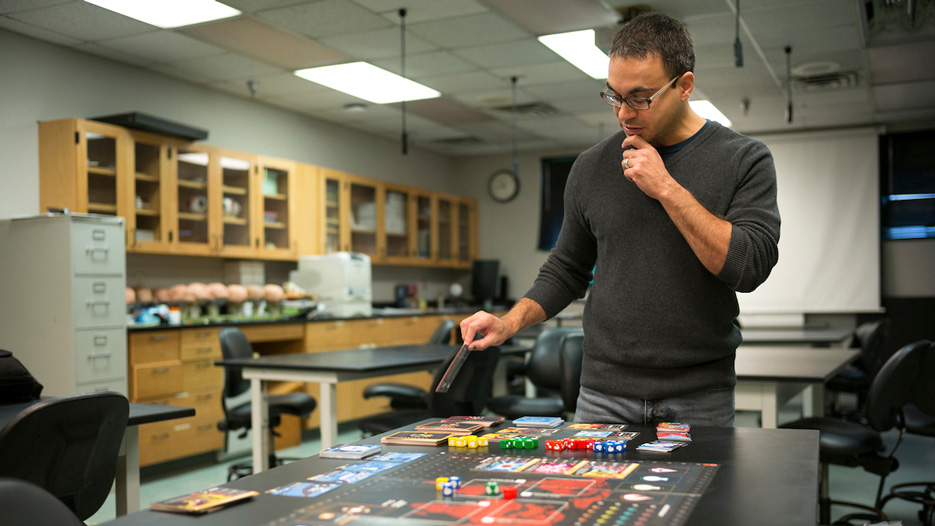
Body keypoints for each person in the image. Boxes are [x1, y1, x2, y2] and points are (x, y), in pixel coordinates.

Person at [460, 13, 781, 427]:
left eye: (641, 97)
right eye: (615, 96)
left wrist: (666, 187)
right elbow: (567, 269)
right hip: (602, 395)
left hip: (699, 396)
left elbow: (749, 267)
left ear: (684, 87)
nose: (624, 113)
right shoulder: (591, 167)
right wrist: (508, 322)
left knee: (701, 496)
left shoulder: (744, 159)